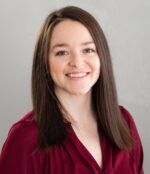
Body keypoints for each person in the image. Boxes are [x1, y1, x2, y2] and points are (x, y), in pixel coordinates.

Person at [0, 6, 144, 174]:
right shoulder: (25, 139)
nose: (77, 62)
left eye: (88, 50)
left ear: (101, 56)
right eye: (62, 52)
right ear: (45, 62)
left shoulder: (123, 122)